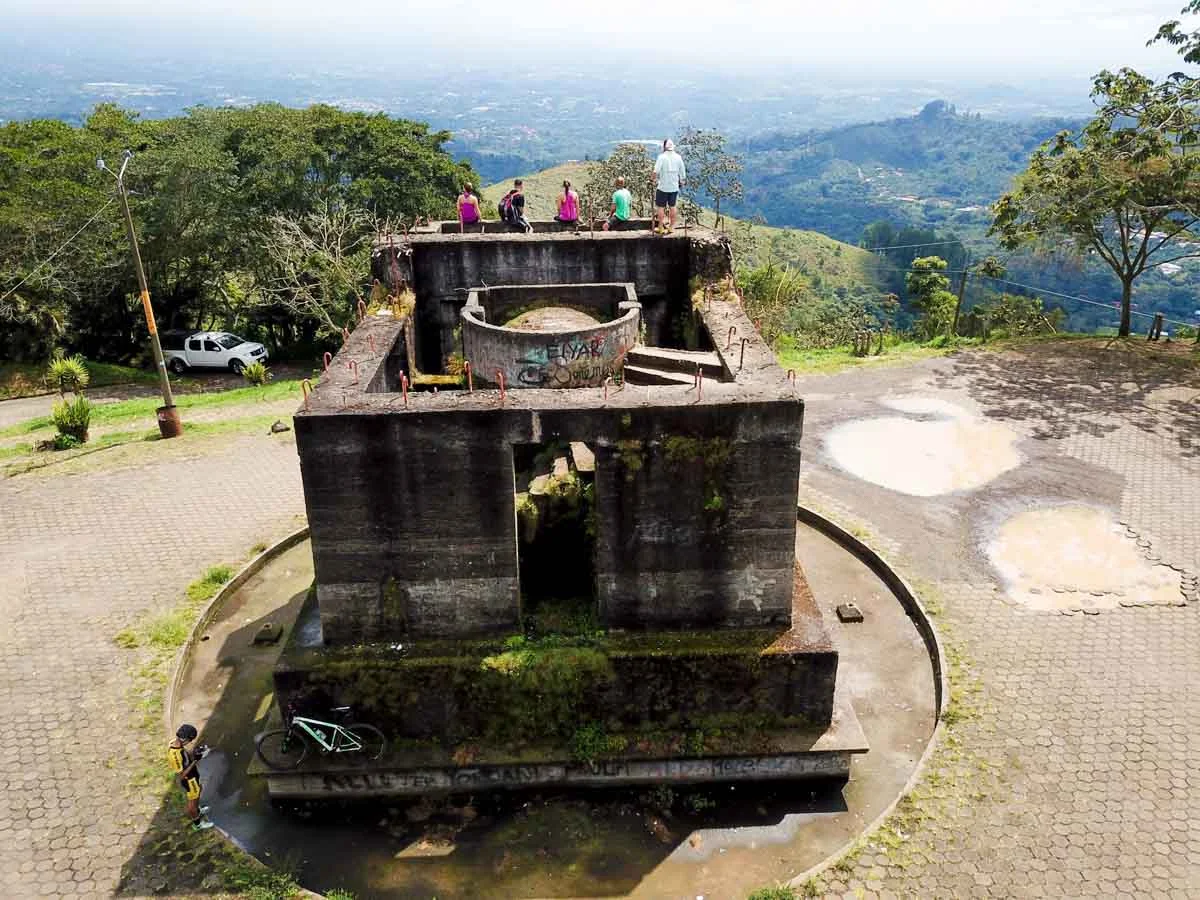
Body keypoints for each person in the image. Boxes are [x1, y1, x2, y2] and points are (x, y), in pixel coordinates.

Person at [168, 724, 213, 831]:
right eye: (190, 740)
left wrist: (195, 753)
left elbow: (184, 756)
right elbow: (182, 775)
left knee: (198, 791)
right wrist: (196, 760)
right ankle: (197, 824)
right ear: (185, 739)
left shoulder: (176, 743)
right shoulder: (175, 755)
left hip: (193, 774)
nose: (190, 742)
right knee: (192, 802)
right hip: (188, 779)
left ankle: (198, 810)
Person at [653, 138, 687, 233]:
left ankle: (660, 227)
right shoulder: (678, 157)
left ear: (664, 147)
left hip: (663, 187)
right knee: (673, 206)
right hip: (674, 187)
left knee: (661, 207)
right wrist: (682, 181)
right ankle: (672, 227)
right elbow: (683, 172)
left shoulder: (661, 157)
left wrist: (652, 180)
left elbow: (655, 171)